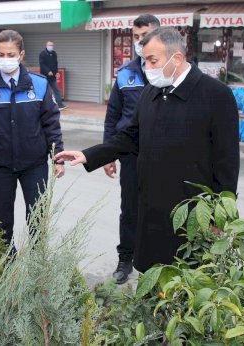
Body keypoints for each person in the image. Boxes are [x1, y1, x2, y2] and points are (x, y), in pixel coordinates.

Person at [55, 27, 240, 273]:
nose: (147, 68)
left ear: (176, 58)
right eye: (144, 61)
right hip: (151, 205)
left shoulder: (216, 95)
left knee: (187, 277)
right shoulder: (151, 92)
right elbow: (130, 137)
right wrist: (90, 154)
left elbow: (227, 161)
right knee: (152, 275)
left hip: (192, 211)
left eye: (153, 60)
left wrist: (219, 216)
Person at [0, 29, 65, 250]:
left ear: (21, 54)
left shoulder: (39, 85)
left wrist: (57, 158)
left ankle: (37, 268)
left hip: (34, 165)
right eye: (1, 54)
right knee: (2, 223)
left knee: (37, 221)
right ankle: (6, 264)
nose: (6, 59)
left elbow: (51, 124)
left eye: (11, 54)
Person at [103, 14, 159, 284]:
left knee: (160, 208)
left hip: (163, 156)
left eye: (145, 36)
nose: (140, 42)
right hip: (131, 153)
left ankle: (156, 262)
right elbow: (112, 116)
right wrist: (107, 153)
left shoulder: (166, 71)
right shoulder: (125, 74)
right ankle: (125, 259)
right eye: (136, 37)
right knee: (130, 209)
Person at [39, 40, 67, 110]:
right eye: (49, 45)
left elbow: (55, 63)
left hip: (53, 76)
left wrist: (56, 72)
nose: (51, 47)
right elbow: (42, 64)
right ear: (46, 45)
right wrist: (48, 71)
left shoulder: (54, 53)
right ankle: (42, 104)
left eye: (52, 45)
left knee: (56, 90)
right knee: (45, 91)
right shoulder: (42, 54)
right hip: (45, 76)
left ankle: (59, 104)